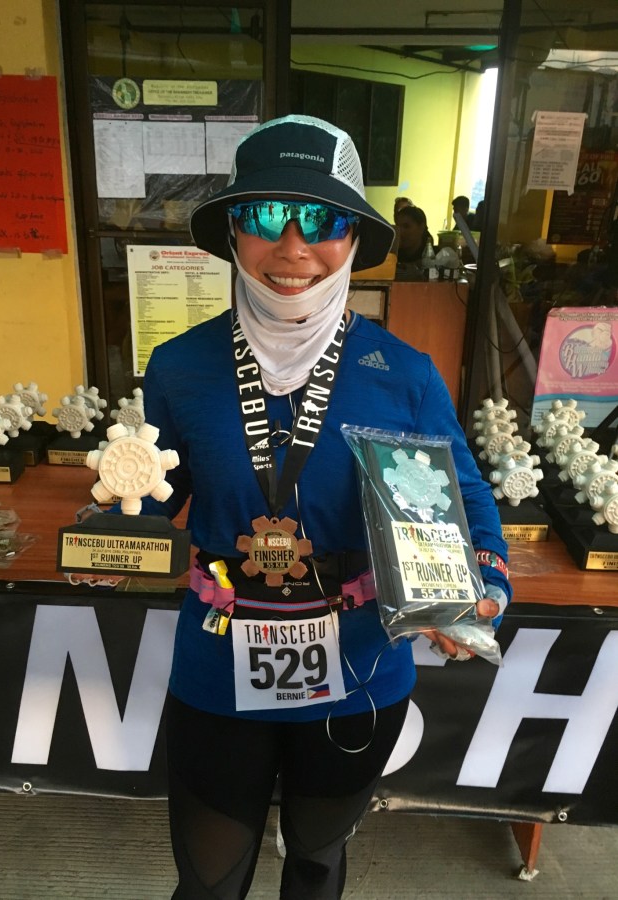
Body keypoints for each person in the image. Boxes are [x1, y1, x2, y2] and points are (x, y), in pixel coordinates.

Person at [137, 114, 511, 899]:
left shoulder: (402, 373)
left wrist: (483, 579)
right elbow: (154, 489)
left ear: (353, 238)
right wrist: (113, 527)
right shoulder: (179, 367)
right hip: (217, 661)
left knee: (314, 861)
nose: (292, 247)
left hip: (359, 665)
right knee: (208, 880)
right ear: (233, 231)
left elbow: (465, 490)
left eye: (321, 220)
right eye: (266, 215)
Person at [393, 204, 435, 275]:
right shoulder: (393, 256)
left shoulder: (433, 258)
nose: (400, 231)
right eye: (398, 226)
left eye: (406, 226)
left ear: (421, 228)